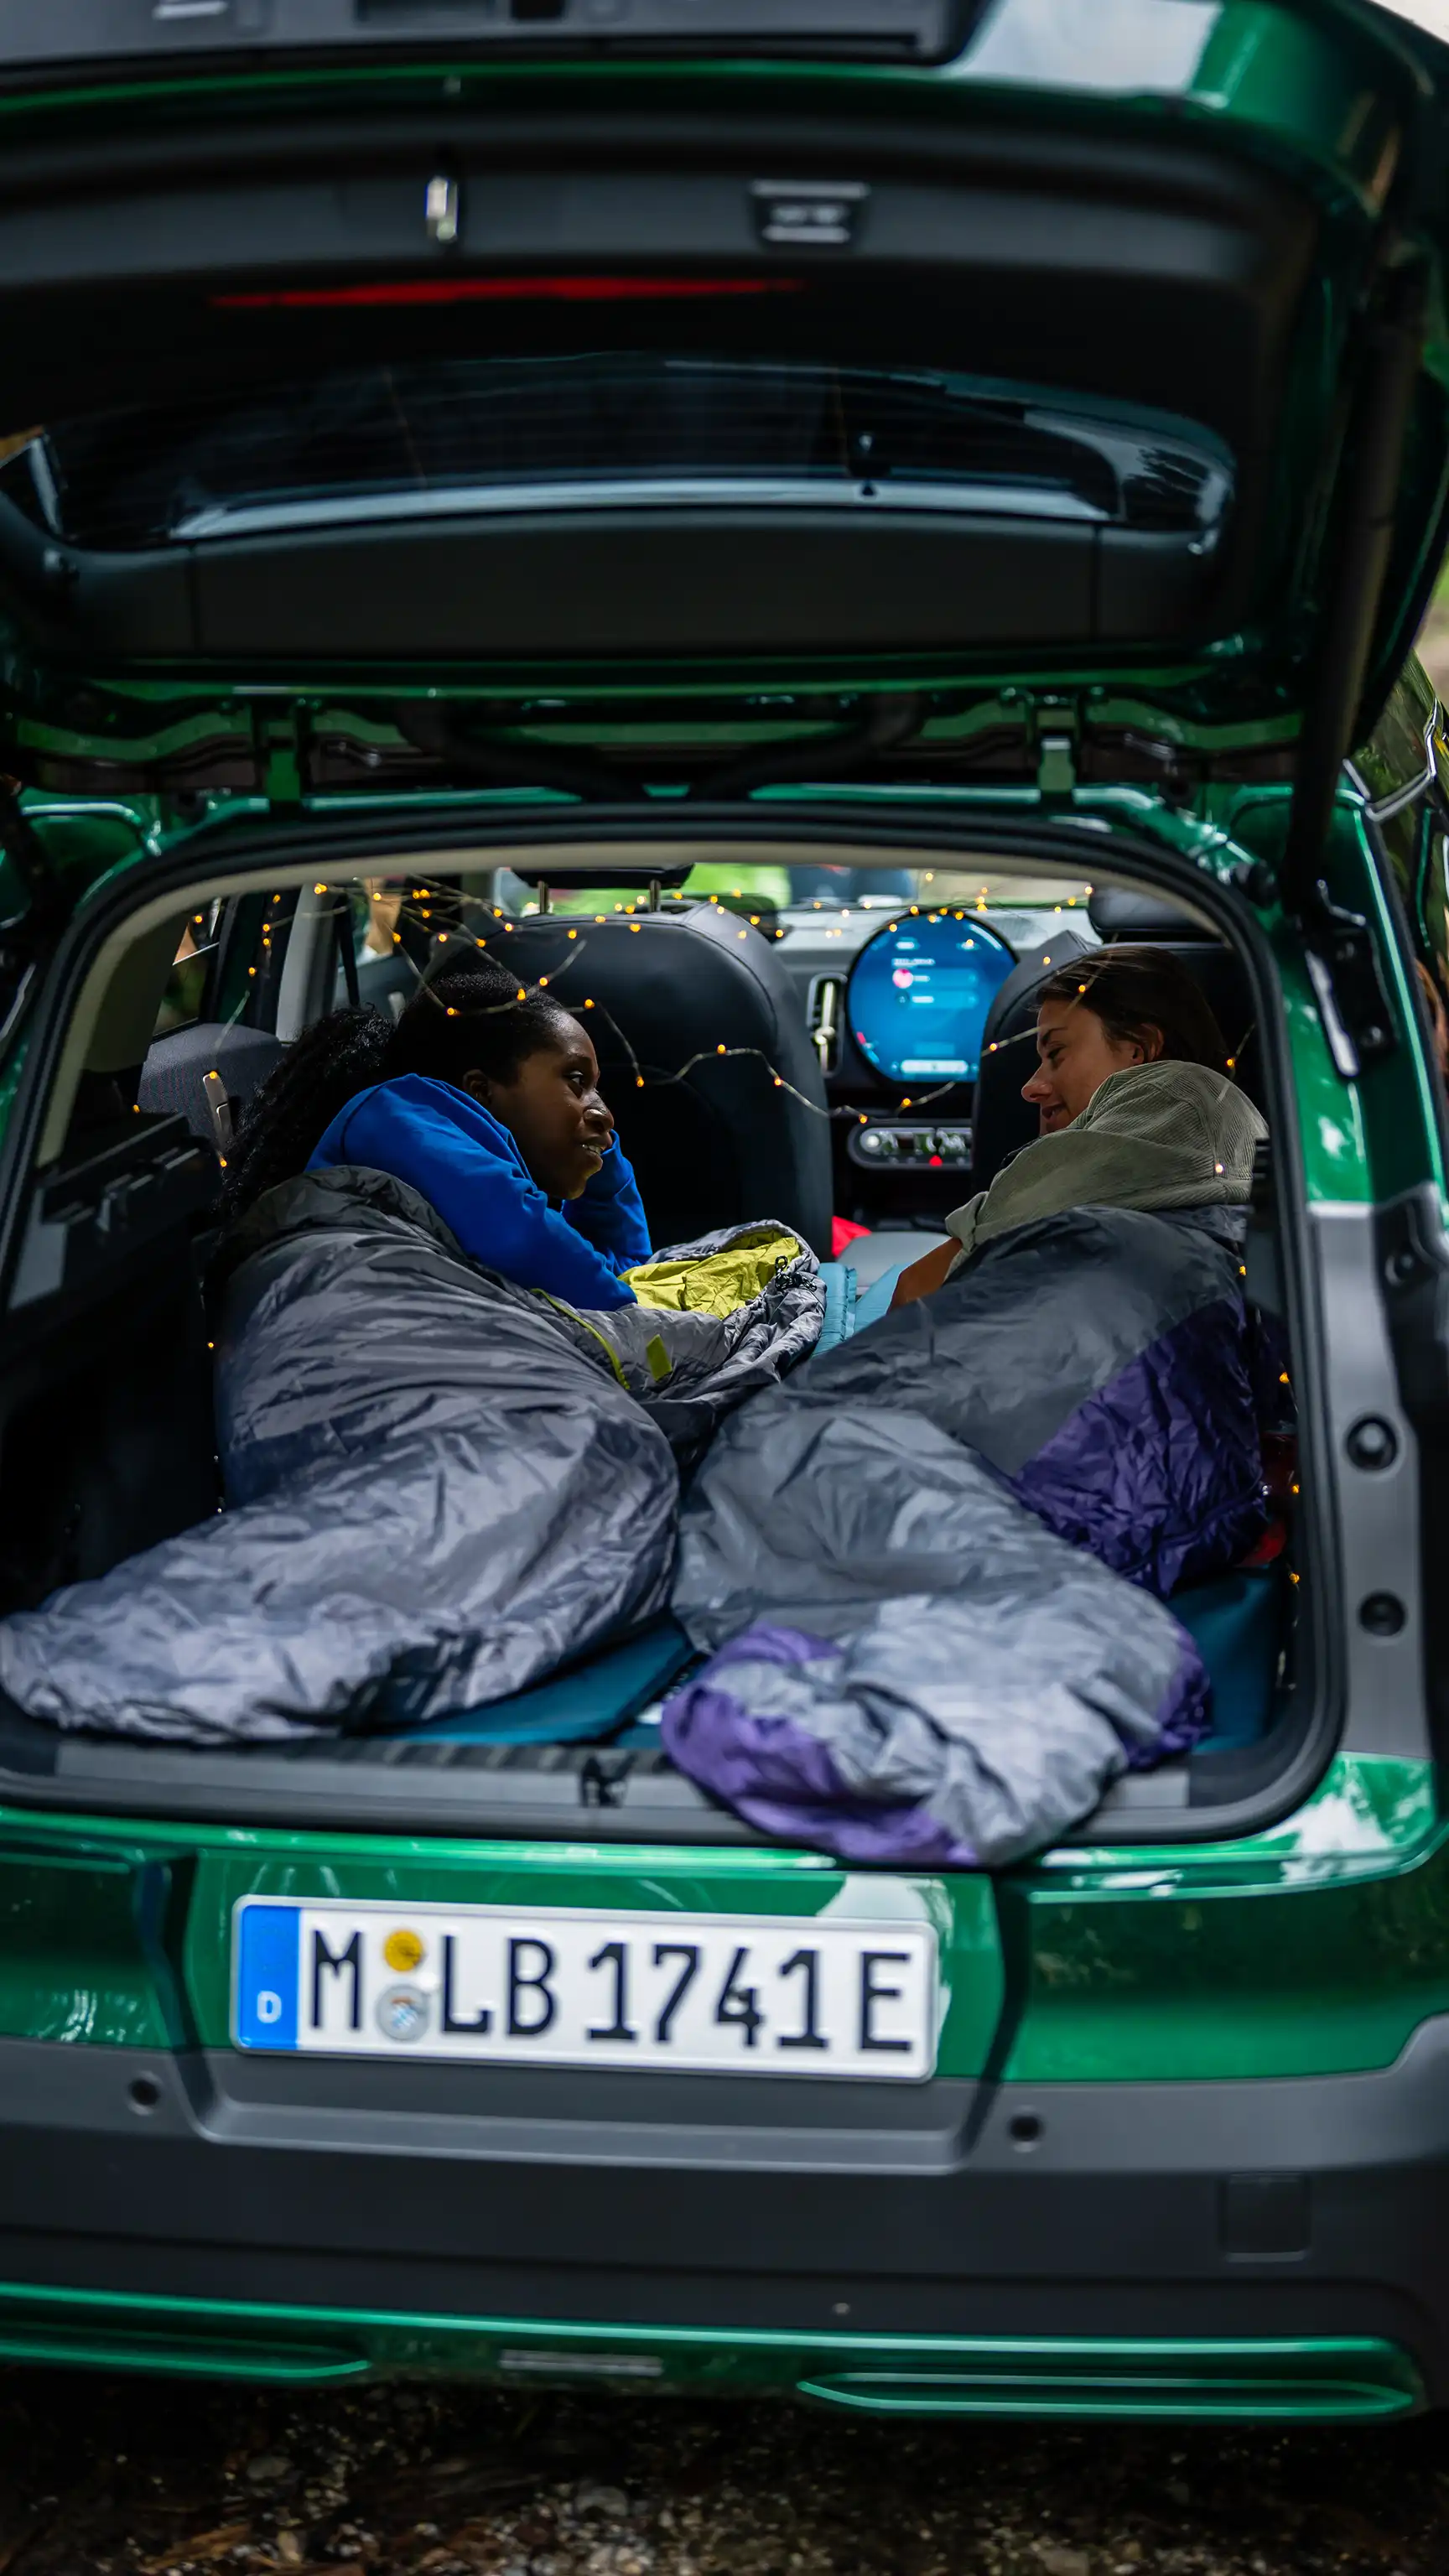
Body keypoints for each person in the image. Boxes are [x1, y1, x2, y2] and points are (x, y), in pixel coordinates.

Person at [216, 953, 652, 1309]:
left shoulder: (479, 1191)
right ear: (480, 1091)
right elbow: (532, 1247)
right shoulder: (396, 1116)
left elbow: (620, 1271)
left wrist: (603, 1162)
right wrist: (648, 1319)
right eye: (576, 1081)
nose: (603, 1111)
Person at [891, 945, 1263, 1306]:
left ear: (1141, 1049)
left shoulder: (1181, 1095)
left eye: (1057, 1053)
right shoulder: (1210, 1115)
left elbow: (918, 1292)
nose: (1031, 1087)